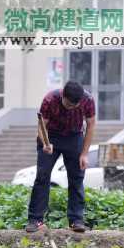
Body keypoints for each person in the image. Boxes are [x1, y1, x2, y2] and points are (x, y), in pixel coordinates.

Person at [26, 80, 96, 233]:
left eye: (75, 106)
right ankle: (35, 219)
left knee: (77, 177)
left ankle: (76, 220)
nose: (72, 108)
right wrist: (45, 143)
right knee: (43, 176)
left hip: (74, 136)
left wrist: (84, 154)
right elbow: (41, 125)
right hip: (51, 135)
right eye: (69, 104)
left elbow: (90, 125)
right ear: (63, 95)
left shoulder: (88, 100)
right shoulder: (50, 99)